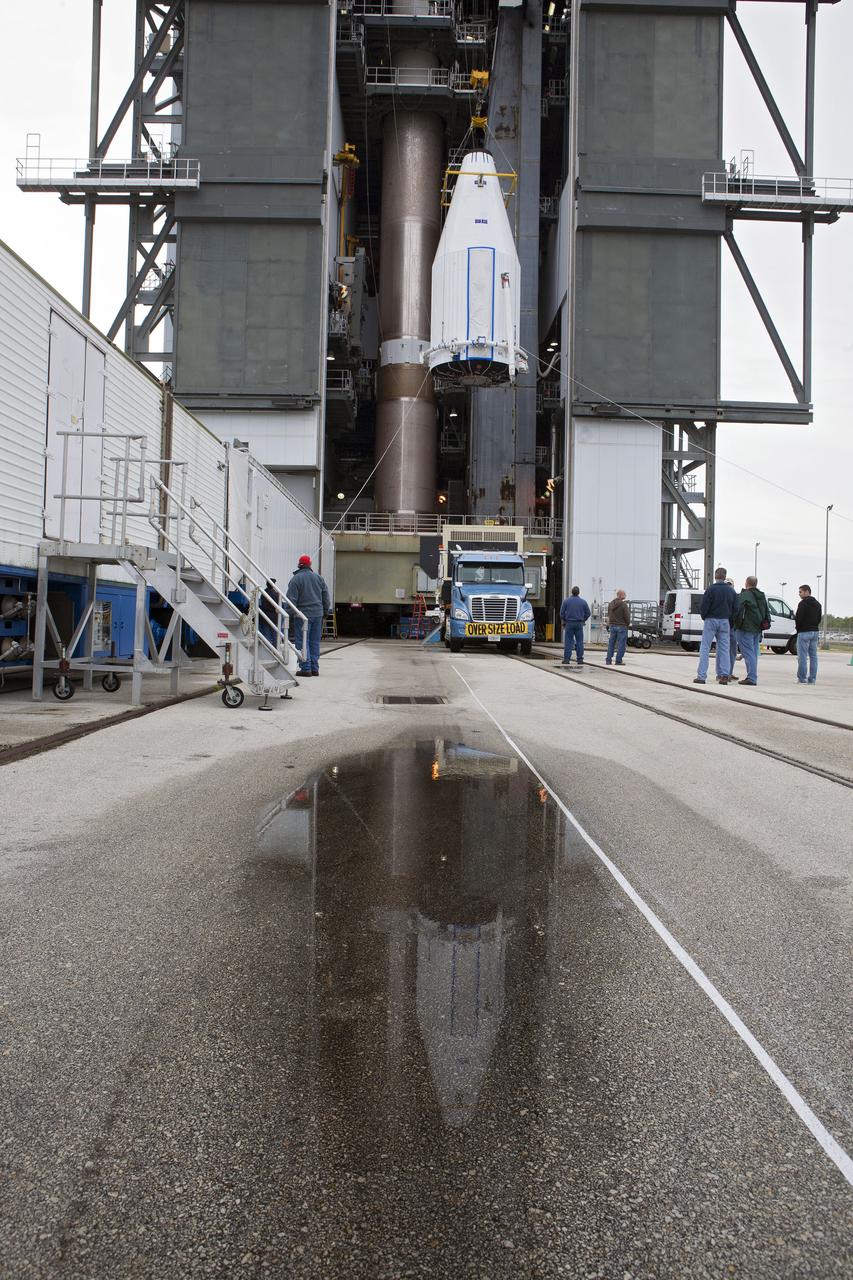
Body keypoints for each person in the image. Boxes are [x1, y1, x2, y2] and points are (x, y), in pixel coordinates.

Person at [286, 555, 331, 677]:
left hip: (302, 616)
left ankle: (306, 668)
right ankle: (314, 668)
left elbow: (291, 600)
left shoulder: (296, 579)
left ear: (299, 565)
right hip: (318, 614)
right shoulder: (319, 578)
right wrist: (325, 611)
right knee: (314, 641)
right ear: (310, 565)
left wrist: (288, 614)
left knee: (302, 641)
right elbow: (326, 597)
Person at [693, 567, 737, 685]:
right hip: (725, 621)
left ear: (715, 576)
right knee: (724, 649)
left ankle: (701, 676)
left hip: (711, 620)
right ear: (725, 576)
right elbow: (735, 609)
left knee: (705, 648)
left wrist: (705, 617)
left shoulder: (710, 589)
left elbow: (704, 606)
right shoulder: (731, 591)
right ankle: (724, 676)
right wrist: (730, 622)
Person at [730, 575, 769, 686]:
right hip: (757, 629)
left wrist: (735, 624)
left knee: (748, 653)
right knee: (753, 653)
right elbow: (766, 611)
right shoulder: (761, 596)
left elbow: (738, 610)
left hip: (745, 628)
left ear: (746, 583)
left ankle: (751, 678)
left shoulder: (745, 595)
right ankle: (752, 675)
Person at [794, 583, 822, 685]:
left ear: (807, 592)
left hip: (804, 632)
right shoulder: (818, 604)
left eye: (800, 592)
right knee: (813, 656)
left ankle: (802, 678)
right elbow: (819, 619)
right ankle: (812, 679)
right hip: (815, 632)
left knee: (802, 656)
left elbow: (798, 618)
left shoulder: (802, 604)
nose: (799, 594)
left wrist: (798, 629)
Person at [559, 586, 590, 667]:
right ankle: (580, 659)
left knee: (568, 642)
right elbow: (588, 613)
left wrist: (565, 620)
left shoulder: (566, 601)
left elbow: (561, 613)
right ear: (578, 592)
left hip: (569, 623)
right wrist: (583, 619)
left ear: (571, 592)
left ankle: (566, 659)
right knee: (579, 641)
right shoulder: (583, 602)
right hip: (579, 623)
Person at [606, 589, 630, 665]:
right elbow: (627, 616)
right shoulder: (623, 605)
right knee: (621, 644)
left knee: (611, 644)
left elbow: (609, 615)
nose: (625, 595)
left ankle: (608, 660)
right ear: (620, 595)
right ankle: (618, 660)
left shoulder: (611, 604)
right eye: (624, 594)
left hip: (612, 626)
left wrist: (608, 624)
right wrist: (628, 624)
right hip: (622, 626)